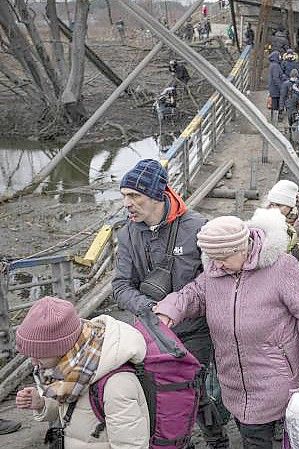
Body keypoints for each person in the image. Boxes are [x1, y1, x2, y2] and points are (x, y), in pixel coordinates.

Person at [155, 216, 299, 449]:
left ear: (242, 248)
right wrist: (169, 310)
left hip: (276, 377)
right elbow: (193, 294)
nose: (218, 265)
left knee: (269, 437)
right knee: (252, 433)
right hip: (233, 380)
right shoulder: (214, 272)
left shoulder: (282, 267)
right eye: (213, 259)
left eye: (223, 258)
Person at [111, 159, 229, 448]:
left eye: (134, 196)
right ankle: (180, 442)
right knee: (160, 393)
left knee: (195, 389)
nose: (128, 203)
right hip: (151, 330)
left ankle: (217, 439)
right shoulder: (127, 233)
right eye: (125, 196)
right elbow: (120, 285)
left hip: (195, 330)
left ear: (156, 195)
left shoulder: (198, 228)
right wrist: (149, 308)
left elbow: (213, 281)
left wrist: (179, 307)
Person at [15, 297, 149, 448]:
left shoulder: (116, 385)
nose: (33, 362)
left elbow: (130, 444)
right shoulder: (72, 369)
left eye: (38, 355)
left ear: (60, 348)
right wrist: (42, 404)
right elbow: (76, 411)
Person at [265, 180, 299, 247]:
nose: (274, 209)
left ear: (291, 205)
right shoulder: (265, 218)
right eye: (272, 204)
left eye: (279, 205)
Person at [267, 51, 284, 122]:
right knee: (275, 106)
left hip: (273, 88)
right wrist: (281, 87)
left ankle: (273, 120)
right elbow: (276, 78)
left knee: (274, 107)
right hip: (276, 89)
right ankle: (274, 122)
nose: (280, 57)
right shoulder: (275, 66)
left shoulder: (272, 65)